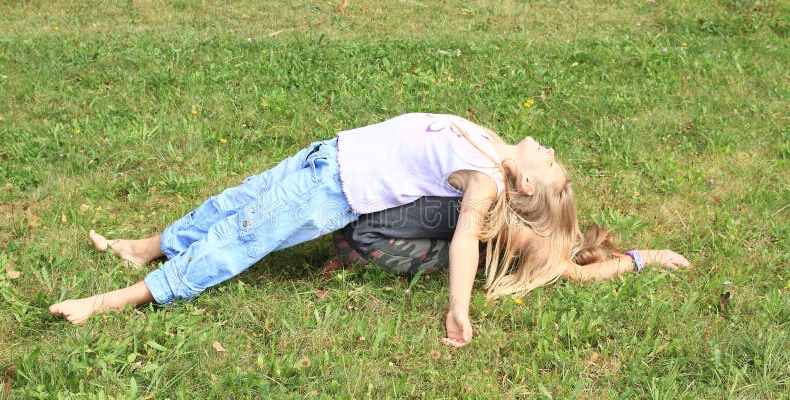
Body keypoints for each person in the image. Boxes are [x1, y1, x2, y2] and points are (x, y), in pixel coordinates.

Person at [49, 113, 690, 347]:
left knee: (238, 240)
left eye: (548, 162)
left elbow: (467, 241)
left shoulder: (488, 184)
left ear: (526, 187)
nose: (547, 148)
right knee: (232, 204)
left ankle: (112, 301)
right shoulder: (496, 150)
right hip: (327, 156)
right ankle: (144, 248)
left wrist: (457, 311)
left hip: (333, 192)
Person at [325, 196, 690, 281]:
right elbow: (579, 275)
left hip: (358, 204)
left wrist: (646, 255)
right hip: (360, 236)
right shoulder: (526, 236)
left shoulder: (517, 199)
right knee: (472, 259)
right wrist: (644, 257)